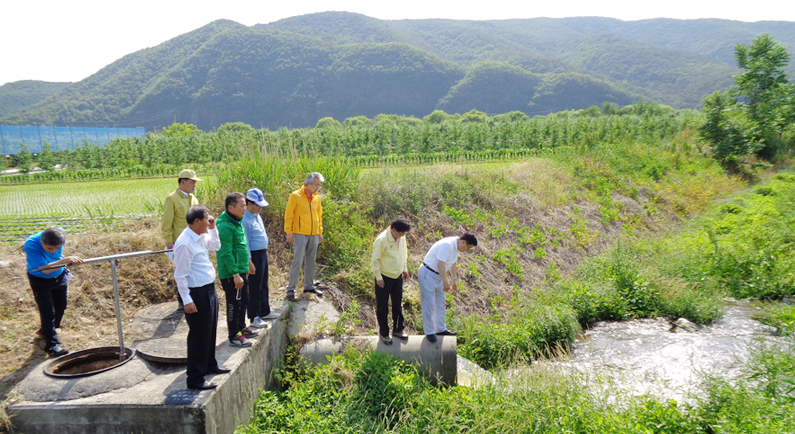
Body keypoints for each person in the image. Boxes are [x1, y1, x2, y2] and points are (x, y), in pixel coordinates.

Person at [172, 205, 230, 390]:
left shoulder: (200, 236)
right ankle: (195, 378)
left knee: (210, 330)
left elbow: (216, 246)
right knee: (199, 335)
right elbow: (180, 275)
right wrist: (187, 300)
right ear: (196, 221)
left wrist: (213, 229)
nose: (209, 221)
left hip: (208, 289)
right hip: (196, 293)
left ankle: (210, 365)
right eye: (206, 219)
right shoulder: (185, 243)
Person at [24, 227, 83, 357]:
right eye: (50, 249)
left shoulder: (60, 232)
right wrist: (64, 261)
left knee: (61, 306)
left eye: (58, 248)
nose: (54, 251)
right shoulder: (31, 245)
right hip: (40, 280)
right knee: (47, 312)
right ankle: (52, 346)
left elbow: (58, 257)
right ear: (42, 241)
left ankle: (45, 331)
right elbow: (45, 269)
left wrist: (63, 260)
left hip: (59, 276)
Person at [419, 232, 478, 343]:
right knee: (429, 303)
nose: (468, 250)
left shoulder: (456, 246)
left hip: (439, 275)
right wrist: (445, 282)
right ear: (463, 242)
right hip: (428, 273)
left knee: (440, 303)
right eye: (468, 247)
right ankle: (429, 332)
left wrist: (453, 280)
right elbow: (440, 264)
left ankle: (440, 329)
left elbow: (453, 263)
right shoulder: (447, 245)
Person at [217, 192, 258, 347]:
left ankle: (241, 328)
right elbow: (226, 253)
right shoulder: (224, 226)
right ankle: (234, 335)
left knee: (244, 300)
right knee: (234, 304)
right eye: (241, 206)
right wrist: (235, 274)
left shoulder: (236, 221)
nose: (244, 208)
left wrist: (246, 265)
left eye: (244, 205)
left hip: (241, 270)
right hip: (231, 274)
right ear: (231, 207)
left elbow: (241, 247)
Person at [284, 172, 325, 300]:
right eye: (316, 185)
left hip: (314, 234)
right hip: (299, 234)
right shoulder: (295, 195)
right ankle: (291, 288)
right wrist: (289, 231)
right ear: (308, 184)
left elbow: (319, 215)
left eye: (318, 185)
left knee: (311, 261)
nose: (317, 187)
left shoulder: (316, 197)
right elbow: (289, 214)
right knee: (297, 260)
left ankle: (308, 286)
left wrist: (319, 231)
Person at [370, 218, 411, 345]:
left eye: (404, 233)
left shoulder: (401, 237)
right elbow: (375, 260)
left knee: (397, 304)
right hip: (384, 277)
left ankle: (398, 329)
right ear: (393, 229)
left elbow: (403, 254)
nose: (402, 235)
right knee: (382, 306)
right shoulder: (382, 240)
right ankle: (384, 333)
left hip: (397, 276)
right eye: (400, 233)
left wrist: (404, 269)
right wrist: (378, 277)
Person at [243, 188, 277, 328]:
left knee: (263, 283)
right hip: (254, 255)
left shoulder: (257, 215)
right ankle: (254, 316)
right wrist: (249, 261)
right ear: (249, 204)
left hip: (262, 254)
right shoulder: (245, 220)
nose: (260, 208)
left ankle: (264, 311)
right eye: (257, 205)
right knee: (254, 286)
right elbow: (245, 242)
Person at [161, 169, 202, 250]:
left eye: (195, 183)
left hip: (194, 240)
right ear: (183, 182)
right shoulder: (172, 198)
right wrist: (169, 240)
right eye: (192, 182)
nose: (194, 185)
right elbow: (167, 221)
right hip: (179, 241)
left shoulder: (194, 199)